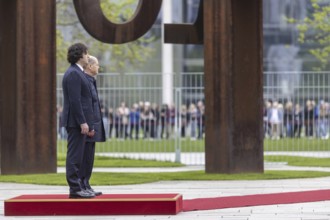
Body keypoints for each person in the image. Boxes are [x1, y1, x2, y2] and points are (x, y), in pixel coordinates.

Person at [62, 43, 102, 199]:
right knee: (75, 156)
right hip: (75, 122)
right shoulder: (73, 74)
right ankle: (75, 188)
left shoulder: (78, 73)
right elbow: (75, 101)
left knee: (80, 156)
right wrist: (82, 122)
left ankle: (80, 186)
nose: (88, 56)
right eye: (86, 54)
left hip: (78, 121)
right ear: (80, 55)